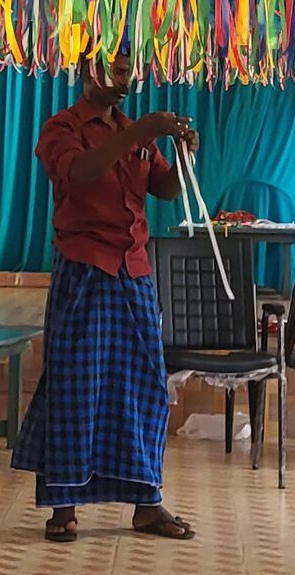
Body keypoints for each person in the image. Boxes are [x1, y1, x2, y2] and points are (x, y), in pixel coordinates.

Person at [13, 50, 199, 542]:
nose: (122, 77)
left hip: (133, 271)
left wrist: (184, 155)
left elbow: (166, 190)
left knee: (146, 388)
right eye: (112, 68)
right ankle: (63, 506)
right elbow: (79, 173)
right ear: (85, 70)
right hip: (84, 268)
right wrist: (139, 134)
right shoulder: (63, 128)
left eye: (126, 69)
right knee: (75, 387)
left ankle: (147, 503)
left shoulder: (133, 129)